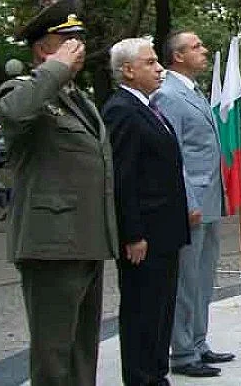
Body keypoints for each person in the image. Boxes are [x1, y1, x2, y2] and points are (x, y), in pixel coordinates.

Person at [0, 0, 118, 384]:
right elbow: (13, 113)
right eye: (68, 39)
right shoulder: (25, 90)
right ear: (43, 49)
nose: (78, 45)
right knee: (53, 355)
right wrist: (55, 71)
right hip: (50, 245)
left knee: (83, 349)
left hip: (86, 239)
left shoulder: (78, 100)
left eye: (79, 37)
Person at [102, 38, 190, 386]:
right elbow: (124, 179)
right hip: (146, 236)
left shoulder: (149, 107)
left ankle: (156, 374)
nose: (159, 68)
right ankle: (141, 378)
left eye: (157, 62)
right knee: (142, 311)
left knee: (161, 308)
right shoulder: (122, 109)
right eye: (150, 62)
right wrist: (133, 234)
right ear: (127, 70)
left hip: (164, 230)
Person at [154, 31, 235, 378]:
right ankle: (183, 352)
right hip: (191, 202)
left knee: (203, 276)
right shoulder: (169, 95)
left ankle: (199, 342)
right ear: (177, 57)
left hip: (210, 198)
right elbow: (173, 155)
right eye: (196, 47)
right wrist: (188, 200)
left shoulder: (192, 92)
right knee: (187, 279)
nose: (204, 51)